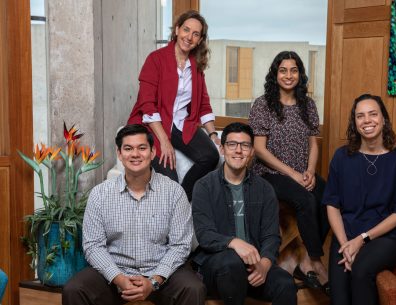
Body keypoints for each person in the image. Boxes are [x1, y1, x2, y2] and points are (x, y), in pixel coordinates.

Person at [63, 124, 206, 305]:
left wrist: (154, 281)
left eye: (142, 148)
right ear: (119, 153)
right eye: (128, 148)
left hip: (162, 275)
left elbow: (180, 245)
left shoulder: (174, 192)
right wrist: (119, 278)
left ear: (153, 152)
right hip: (114, 274)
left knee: (193, 289)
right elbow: (93, 246)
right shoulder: (100, 194)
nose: (135, 154)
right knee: (74, 289)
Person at [323, 94, 396, 305]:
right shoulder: (341, 157)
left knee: (360, 271)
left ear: (383, 118)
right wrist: (345, 244)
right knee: (339, 298)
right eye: (360, 116)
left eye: (373, 114)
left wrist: (362, 239)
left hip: (384, 238)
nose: (367, 120)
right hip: (345, 235)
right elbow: (332, 205)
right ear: (354, 122)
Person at [248, 51, 329, 293]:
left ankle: (302, 257)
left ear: (300, 75)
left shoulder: (308, 104)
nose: (288, 75)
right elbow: (260, 150)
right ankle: (313, 260)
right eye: (283, 70)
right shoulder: (263, 104)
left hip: (300, 172)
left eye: (294, 70)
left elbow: (313, 143)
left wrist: (310, 171)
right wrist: (293, 174)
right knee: (305, 199)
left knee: (329, 195)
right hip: (268, 173)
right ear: (275, 74)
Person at [191, 122, 297, 305]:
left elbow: (271, 236)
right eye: (232, 144)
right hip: (216, 268)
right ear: (222, 149)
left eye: (245, 145)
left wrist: (264, 264)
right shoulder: (204, 186)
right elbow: (204, 235)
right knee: (231, 262)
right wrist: (234, 242)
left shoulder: (264, 189)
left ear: (252, 152)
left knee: (285, 284)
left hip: (253, 268)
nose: (238, 150)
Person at [127, 10, 219, 201]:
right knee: (170, 177)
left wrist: (213, 135)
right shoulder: (156, 59)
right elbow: (147, 104)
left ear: (200, 40)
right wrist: (164, 141)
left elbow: (203, 104)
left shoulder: (196, 66)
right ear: (177, 30)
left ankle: (182, 200)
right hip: (152, 124)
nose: (189, 37)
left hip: (181, 123)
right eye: (186, 30)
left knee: (210, 156)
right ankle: (176, 202)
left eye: (196, 34)